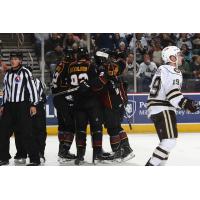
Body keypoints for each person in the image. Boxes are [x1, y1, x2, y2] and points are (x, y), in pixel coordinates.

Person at [146, 46, 199, 166]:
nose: (182, 57)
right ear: (172, 57)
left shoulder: (162, 69)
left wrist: (186, 103)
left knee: (165, 144)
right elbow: (172, 93)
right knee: (170, 141)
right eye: (179, 54)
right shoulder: (173, 70)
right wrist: (186, 104)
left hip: (156, 107)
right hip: (163, 107)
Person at [67, 47, 112, 165]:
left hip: (77, 103)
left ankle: (80, 157)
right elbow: (99, 82)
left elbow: (69, 85)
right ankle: (97, 156)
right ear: (87, 55)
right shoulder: (91, 65)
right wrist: (91, 85)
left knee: (80, 130)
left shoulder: (71, 66)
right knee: (96, 130)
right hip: (92, 103)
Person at [94, 49, 134, 162]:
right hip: (118, 101)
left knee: (112, 128)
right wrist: (121, 57)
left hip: (111, 103)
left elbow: (98, 85)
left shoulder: (105, 68)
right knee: (117, 127)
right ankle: (126, 149)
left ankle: (117, 152)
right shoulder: (115, 66)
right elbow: (121, 64)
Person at [0, 52, 40, 166]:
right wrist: (3, 105)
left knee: (27, 132)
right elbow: (6, 90)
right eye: (12, 59)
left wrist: (33, 104)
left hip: (22, 105)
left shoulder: (25, 72)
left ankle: (34, 159)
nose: (13, 61)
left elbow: (32, 88)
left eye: (16, 59)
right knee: (3, 132)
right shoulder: (7, 74)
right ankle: (3, 157)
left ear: (20, 61)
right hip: (9, 106)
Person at [14, 65, 47, 165]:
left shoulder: (37, 82)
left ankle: (38, 153)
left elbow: (41, 97)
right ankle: (23, 153)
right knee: (22, 131)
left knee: (38, 131)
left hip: (36, 108)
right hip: (24, 108)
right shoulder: (17, 80)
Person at [51, 49, 76, 163]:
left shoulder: (60, 64)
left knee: (62, 126)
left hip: (57, 97)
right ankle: (64, 152)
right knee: (70, 125)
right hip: (63, 97)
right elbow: (66, 84)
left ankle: (62, 150)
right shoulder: (67, 66)